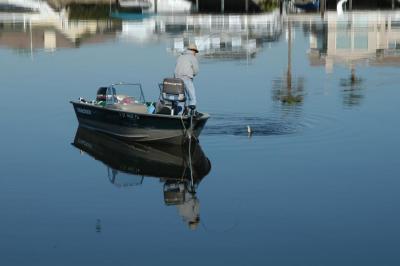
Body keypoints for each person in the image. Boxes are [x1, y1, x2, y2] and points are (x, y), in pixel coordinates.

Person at [174, 43, 199, 111]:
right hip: (186, 78)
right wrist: (192, 74)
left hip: (177, 79)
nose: (195, 53)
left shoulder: (180, 56)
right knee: (192, 98)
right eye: (195, 52)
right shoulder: (192, 57)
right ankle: (191, 114)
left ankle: (180, 115)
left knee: (181, 98)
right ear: (193, 51)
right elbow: (196, 70)